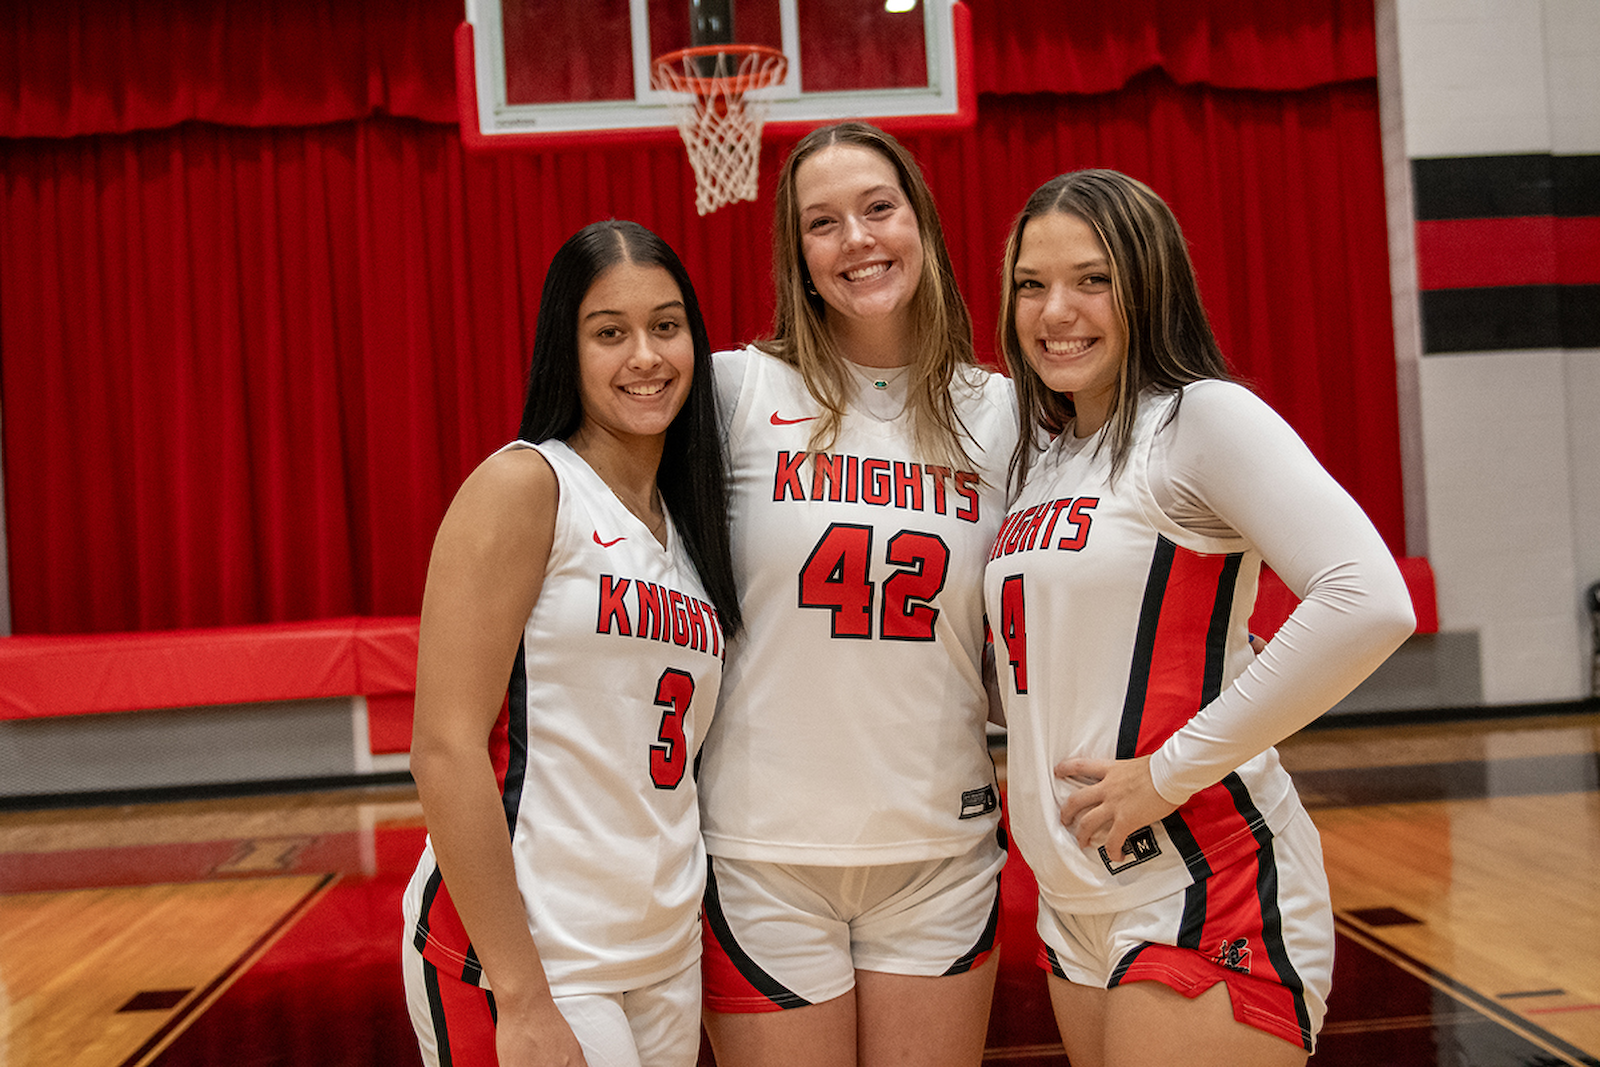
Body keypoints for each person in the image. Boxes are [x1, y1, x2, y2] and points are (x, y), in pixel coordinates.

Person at [983, 169, 1416, 1067]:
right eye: (1031, 284)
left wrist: (1168, 772)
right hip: (1075, 901)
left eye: (1092, 279)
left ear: (1150, 284)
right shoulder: (1043, 456)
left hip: (1205, 879)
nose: (1055, 310)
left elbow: (1367, 598)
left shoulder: (1199, 418)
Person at [694, 122, 1017, 1067]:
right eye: (823, 222)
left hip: (941, 851)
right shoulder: (731, 394)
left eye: (878, 208)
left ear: (921, 223)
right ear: (796, 253)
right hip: (761, 853)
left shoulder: (1003, 412)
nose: (857, 239)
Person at [400, 219, 742, 1067]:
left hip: (660, 955)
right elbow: (444, 748)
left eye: (666, 326)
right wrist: (520, 992)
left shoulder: (688, 530)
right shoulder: (527, 485)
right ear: (568, 348)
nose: (646, 356)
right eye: (610, 332)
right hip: (537, 959)